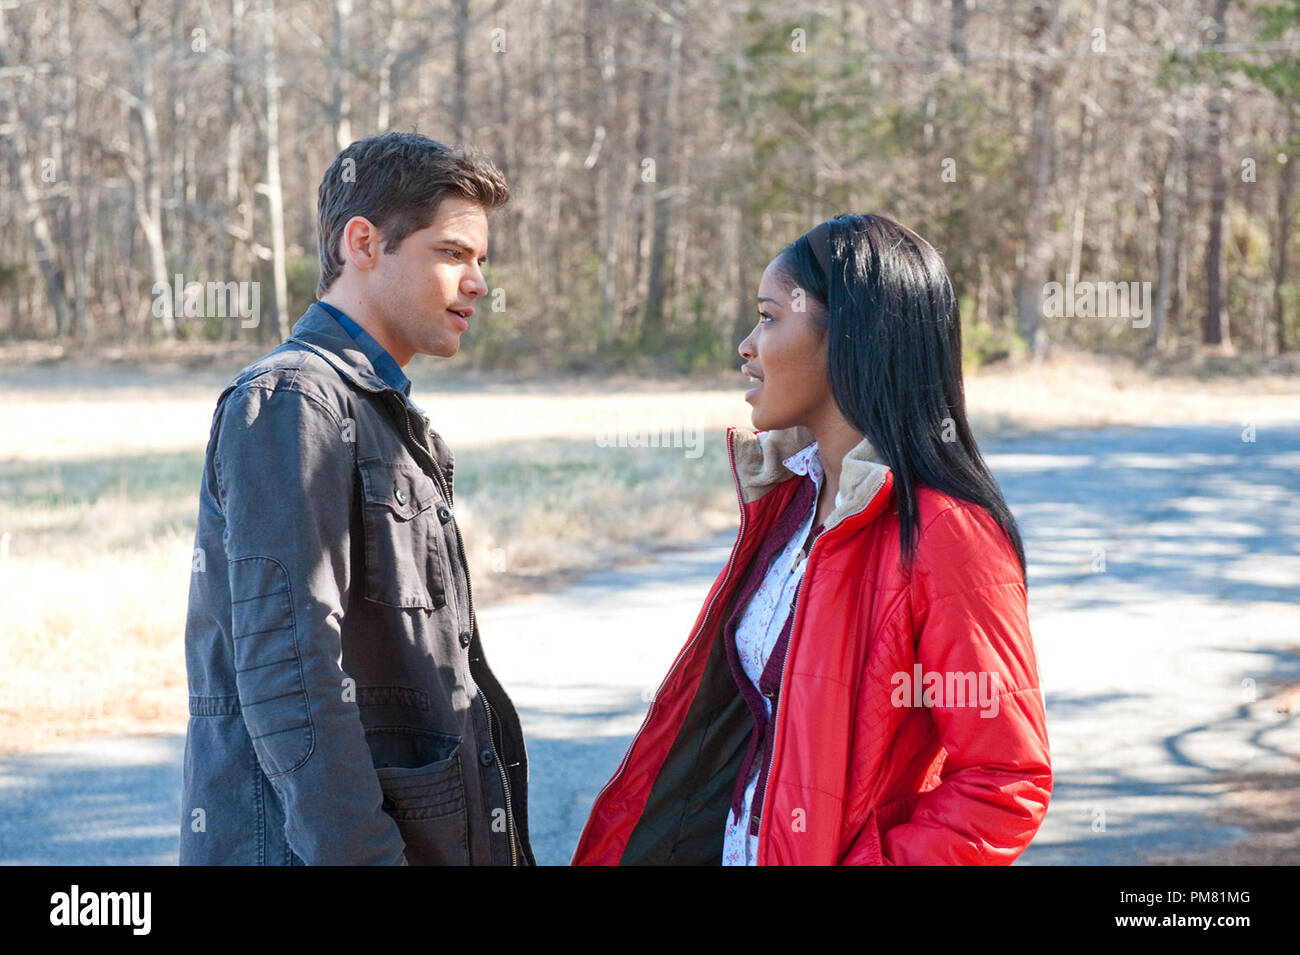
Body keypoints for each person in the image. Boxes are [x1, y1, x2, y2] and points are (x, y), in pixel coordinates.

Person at [572, 213, 1051, 865]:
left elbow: (1005, 780)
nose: (746, 345)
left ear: (848, 339)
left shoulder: (946, 532)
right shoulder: (791, 500)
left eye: (769, 317)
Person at [180, 131, 533, 865]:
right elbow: (292, 669)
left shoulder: (380, 411)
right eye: (452, 253)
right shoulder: (292, 402)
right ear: (363, 243)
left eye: (481, 261)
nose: (478, 283)